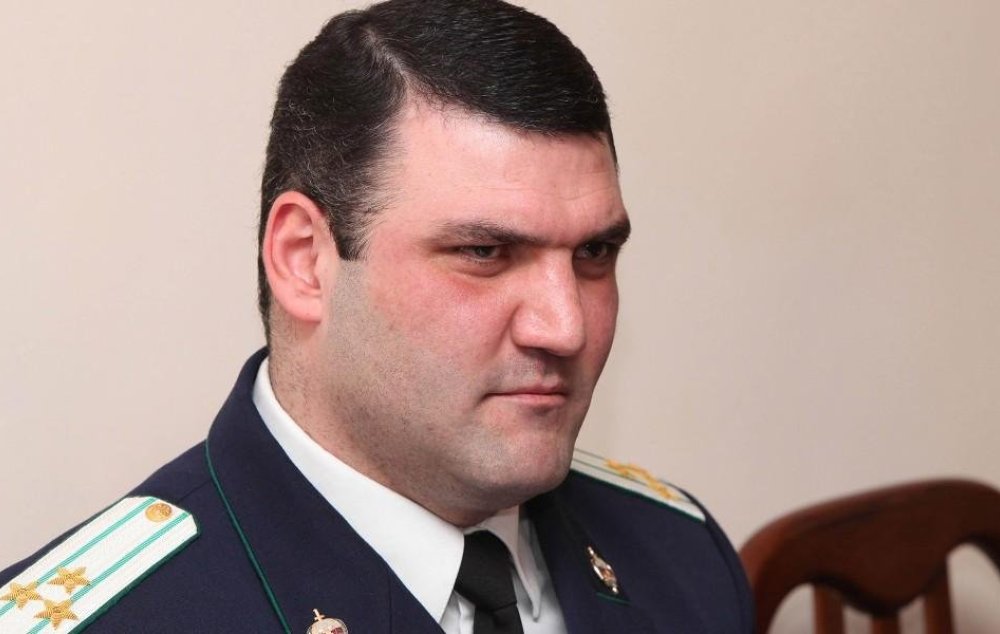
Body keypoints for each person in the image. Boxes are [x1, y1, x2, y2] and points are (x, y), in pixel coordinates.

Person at [0, 1, 753, 632]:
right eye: (485, 252)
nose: (566, 328)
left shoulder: (680, 556)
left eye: (594, 253)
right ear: (305, 260)